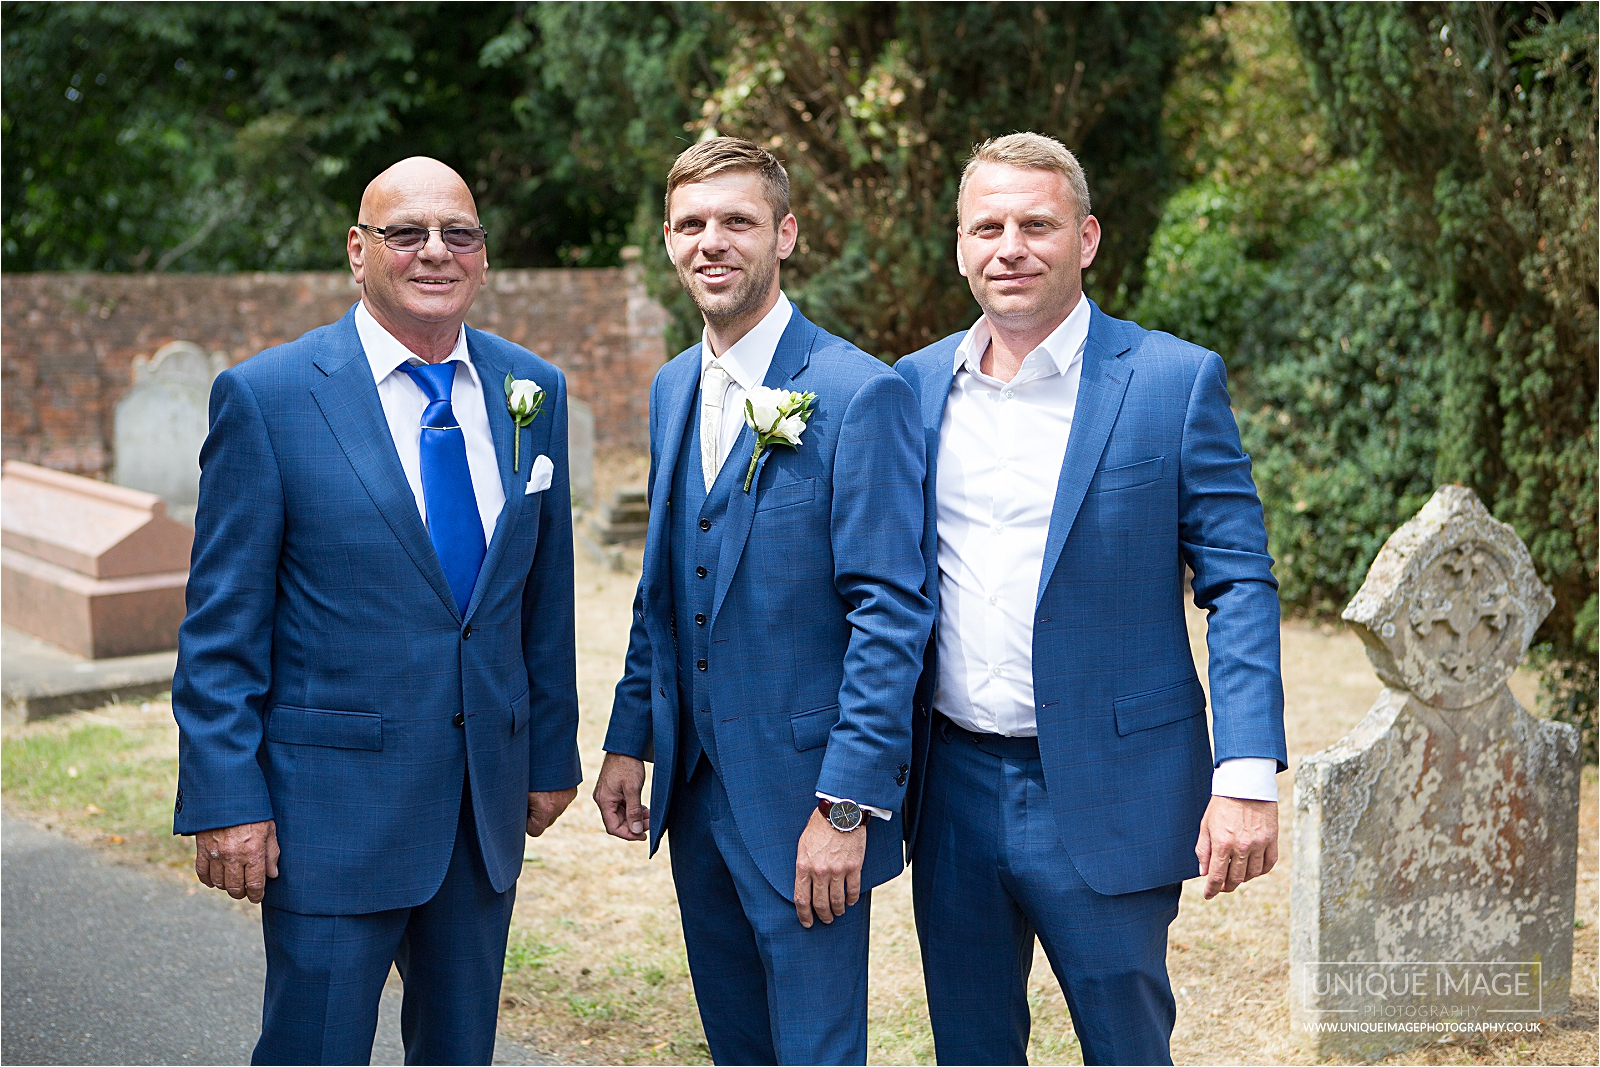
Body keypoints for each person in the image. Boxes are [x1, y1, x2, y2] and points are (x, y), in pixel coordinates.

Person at [171, 156, 581, 1066]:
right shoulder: (270, 397)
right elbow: (221, 629)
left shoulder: (532, 391)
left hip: (482, 805)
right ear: (359, 251)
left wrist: (550, 751)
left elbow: (542, 595)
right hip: (330, 812)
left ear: (481, 255)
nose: (435, 252)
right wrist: (227, 796)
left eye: (459, 233)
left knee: (460, 1051)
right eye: (407, 233)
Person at [893, 132, 1287, 1066]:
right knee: (971, 1048)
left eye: (1038, 224)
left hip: (1112, 789)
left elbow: (1239, 584)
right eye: (987, 226)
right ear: (959, 245)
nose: (1010, 247)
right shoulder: (910, 388)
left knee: (1126, 1045)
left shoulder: (1171, 381)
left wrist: (1246, 772)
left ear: (1088, 237)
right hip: (949, 788)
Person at [592, 137, 931, 1066]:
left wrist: (847, 807)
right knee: (735, 1044)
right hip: (695, 794)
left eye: (737, 221)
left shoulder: (861, 394)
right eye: (693, 224)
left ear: (785, 234)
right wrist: (632, 739)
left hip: (803, 803)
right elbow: (662, 589)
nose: (714, 242)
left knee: (817, 1051)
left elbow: (890, 615)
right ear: (668, 240)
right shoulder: (669, 388)